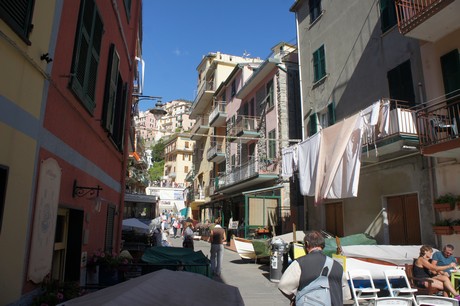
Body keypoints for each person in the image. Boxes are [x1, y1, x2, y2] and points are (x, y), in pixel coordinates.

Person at [278, 230, 343, 306]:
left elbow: (284, 285)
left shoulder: (300, 263)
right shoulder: (338, 265)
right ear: (323, 245)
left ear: (306, 244)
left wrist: (295, 298)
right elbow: (345, 293)